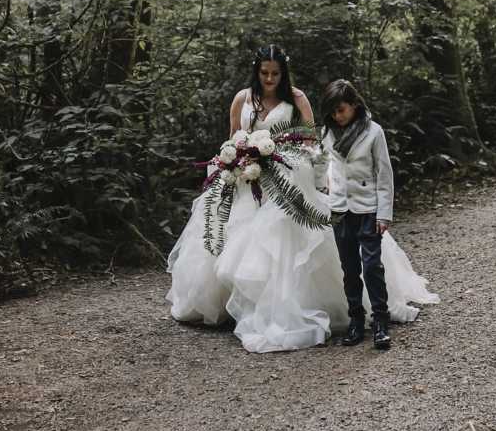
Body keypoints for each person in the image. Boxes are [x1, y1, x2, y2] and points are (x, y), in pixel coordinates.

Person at [167, 45, 438, 354]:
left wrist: (278, 157)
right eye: (264, 73)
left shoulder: (297, 99)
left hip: (284, 179)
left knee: (286, 243)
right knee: (231, 240)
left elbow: (313, 143)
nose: (269, 79)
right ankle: (233, 305)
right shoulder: (242, 98)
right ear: (257, 72)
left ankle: (357, 313)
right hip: (246, 181)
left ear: (284, 73)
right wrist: (237, 159)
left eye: (275, 74)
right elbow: (231, 137)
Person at [321, 78, 430, 351]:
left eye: (342, 109)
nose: (338, 116)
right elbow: (324, 167)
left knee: (371, 266)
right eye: (333, 111)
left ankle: (380, 321)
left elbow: (384, 174)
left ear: (355, 105)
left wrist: (385, 214)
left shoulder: (373, 132)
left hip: (368, 209)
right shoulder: (327, 132)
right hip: (339, 210)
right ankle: (356, 320)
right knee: (349, 269)